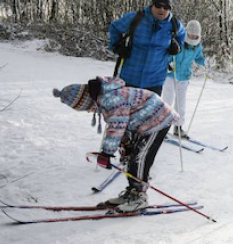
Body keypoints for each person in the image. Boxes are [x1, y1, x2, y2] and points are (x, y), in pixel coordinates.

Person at [53, 76, 176, 212]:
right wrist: (126, 143)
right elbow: (121, 122)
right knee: (131, 157)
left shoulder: (111, 99)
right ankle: (131, 192)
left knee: (140, 158)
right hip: (143, 122)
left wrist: (106, 153)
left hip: (158, 119)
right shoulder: (106, 97)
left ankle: (139, 197)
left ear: (86, 100)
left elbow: (117, 125)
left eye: (85, 108)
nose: (88, 111)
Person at [108, 0, 186, 95]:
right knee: (126, 110)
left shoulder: (174, 25)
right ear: (152, 5)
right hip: (130, 77)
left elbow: (182, 34)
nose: (162, 9)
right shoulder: (136, 18)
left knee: (149, 111)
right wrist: (117, 46)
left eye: (166, 7)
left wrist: (178, 47)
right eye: (158, 5)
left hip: (155, 81)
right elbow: (114, 27)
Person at [163, 19, 207, 137]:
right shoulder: (179, 41)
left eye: (195, 35)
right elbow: (167, 53)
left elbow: (199, 58)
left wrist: (205, 63)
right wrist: (168, 64)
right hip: (171, 74)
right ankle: (162, 128)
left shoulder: (197, 46)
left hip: (184, 76)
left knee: (180, 103)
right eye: (191, 35)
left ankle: (178, 127)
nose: (193, 37)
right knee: (167, 100)